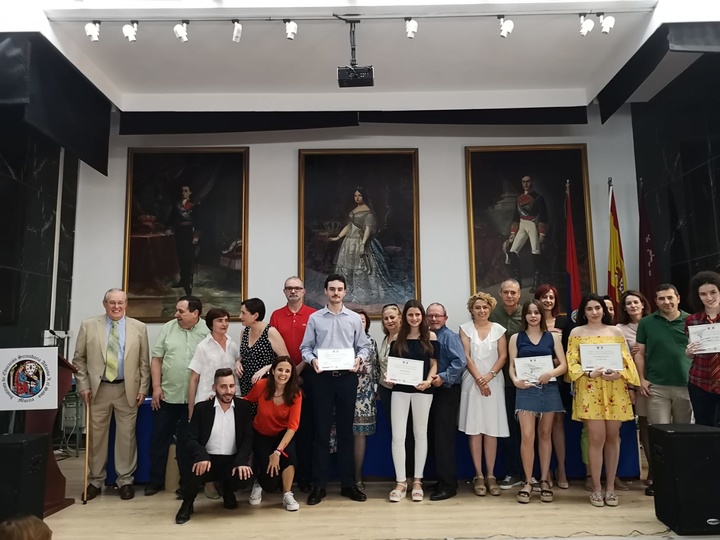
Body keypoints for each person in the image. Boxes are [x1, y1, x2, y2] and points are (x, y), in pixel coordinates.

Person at [299, 273, 371, 505]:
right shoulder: (315, 318)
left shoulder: (353, 319)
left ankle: (348, 485)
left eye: (340, 289)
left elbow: (364, 346)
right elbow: (305, 348)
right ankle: (318, 486)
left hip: (346, 380)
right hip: (321, 380)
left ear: (345, 292)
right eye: (332, 289)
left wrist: (359, 359)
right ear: (325, 292)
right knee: (320, 434)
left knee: (345, 434)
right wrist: (312, 361)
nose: (336, 293)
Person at [73, 288, 150, 501]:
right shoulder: (89, 325)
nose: (116, 307)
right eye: (112, 302)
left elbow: (144, 362)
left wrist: (143, 388)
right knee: (96, 438)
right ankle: (95, 481)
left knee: (126, 437)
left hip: (127, 389)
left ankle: (125, 480)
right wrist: (83, 385)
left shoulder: (139, 328)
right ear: (104, 304)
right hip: (98, 390)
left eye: (120, 303)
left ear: (126, 304)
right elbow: (78, 359)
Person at [566, 294, 640, 508]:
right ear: (583, 312)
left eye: (597, 308)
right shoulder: (576, 333)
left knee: (612, 438)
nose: (594, 312)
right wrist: (588, 374)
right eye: (589, 309)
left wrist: (620, 375)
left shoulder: (615, 331)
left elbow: (627, 361)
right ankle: (597, 488)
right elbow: (572, 362)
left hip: (614, 390)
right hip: (589, 390)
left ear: (604, 310)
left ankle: (611, 488)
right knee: (595, 439)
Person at [146, 295, 209, 497]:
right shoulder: (168, 328)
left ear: (195, 313)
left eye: (181, 311)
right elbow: (156, 359)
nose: (176, 314)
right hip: (167, 395)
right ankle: (155, 480)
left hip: (194, 399)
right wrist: (156, 387)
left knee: (187, 443)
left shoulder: (207, 331)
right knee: (159, 439)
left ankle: (187, 484)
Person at [175, 368, 254, 524]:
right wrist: (201, 455)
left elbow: (248, 439)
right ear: (214, 388)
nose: (228, 391)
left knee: (245, 474)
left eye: (231, 386)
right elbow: (190, 439)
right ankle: (187, 504)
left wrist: (241, 461)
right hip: (207, 460)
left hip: (231, 461)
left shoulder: (243, 408)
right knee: (194, 468)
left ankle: (228, 490)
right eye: (223, 386)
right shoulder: (202, 409)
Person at [508, 300, 567, 504]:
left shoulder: (553, 337)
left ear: (542, 315)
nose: (533, 316)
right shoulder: (516, 338)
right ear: (524, 315)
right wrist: (515, 380)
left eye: (537, 312)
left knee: (545, 435)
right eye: (529, 312)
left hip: (549, 389)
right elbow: (511, 367)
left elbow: (564, 366)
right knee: (526, 436)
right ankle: (527, 481)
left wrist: (550, 372)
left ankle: (543, 480)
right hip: (525, 390)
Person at [387, 300, 439, 502]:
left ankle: (417, 480)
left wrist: (428, 380)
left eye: (418, 314)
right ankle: (401, 481)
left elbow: (434, 364)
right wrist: (390, 377)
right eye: (410, 315)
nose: (414, 318)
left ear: (422, 316)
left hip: (422, 391)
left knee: (420, 435)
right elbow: (393, 366)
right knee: (398, 437)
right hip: (399, 391)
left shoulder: (431, 337)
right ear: (405, 317)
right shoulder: (397, 337)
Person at [268, 276, 317, 492]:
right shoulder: (276, 316)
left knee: (306, 429)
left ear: (304, 291)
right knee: (282, 428)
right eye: (289, 288)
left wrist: (298, 370)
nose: (293, 292)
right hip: (281, 380)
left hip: (308, 377)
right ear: (284, 291)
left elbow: (316, 347)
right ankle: (279, 478)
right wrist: (288, 372)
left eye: (297, 288)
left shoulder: (314, 315)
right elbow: (271, 347)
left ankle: (304, 477)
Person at [459, 292, 509, 497]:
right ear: (472, 309)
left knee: (491, 429)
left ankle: (491, 475)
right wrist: (479, 379)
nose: (481, 310)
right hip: (472, 383)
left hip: (494, 383)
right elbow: (466, 356)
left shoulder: (499, 329)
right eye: (477, 307)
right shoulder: (464, 329)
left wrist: (489, 376)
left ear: (490, 309)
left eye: (485, 307)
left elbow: (504, 355)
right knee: (475, 429)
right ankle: (478, 475)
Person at [244, 356, 303, 512]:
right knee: (269, 481)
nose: (283, 374)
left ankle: (287, 493)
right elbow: (246, 401)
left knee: (290, 457)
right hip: (261, 434)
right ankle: (259, 482)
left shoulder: (296, 394)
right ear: (272, 371)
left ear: (292, 374)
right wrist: (222, 400)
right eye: (280, 370)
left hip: (283, 435)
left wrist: (278, 451)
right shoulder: (262, 385)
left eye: (287, 371)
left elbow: (293, 426)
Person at [328, 187, 398, 304]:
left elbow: (367, 229)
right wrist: (338, 237)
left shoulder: (368, 212)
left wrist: (362, 244)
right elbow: (349, 226)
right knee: (346, 269)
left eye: (359, 195)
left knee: (361, 270)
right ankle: (349, 293)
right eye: (355, 195)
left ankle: (362, 295)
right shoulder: (354, 210)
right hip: (349, 243)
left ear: (364, 196)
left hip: (359, 242)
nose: (357, 198)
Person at [426, 302, 466, 501]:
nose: (434, 319)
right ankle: (441, 480)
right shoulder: (426, 337)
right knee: (434, 437)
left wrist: (443, 377)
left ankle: (449, 485)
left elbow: (460, 361)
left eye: (438, 316)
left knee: (444, 439)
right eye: (431, 315)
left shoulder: (449, 337)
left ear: (445, 318)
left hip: (447, 391)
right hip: (430, 391)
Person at [534, 284, 571, 489]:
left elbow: (569, 350)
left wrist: (559, 362)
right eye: (544, 297)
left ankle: (562, 469)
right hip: (535, 380)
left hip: (558, 379)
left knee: (557, 424)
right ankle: (545, 470)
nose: (548, 301)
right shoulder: (532, 320)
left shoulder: (564, 322)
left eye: (551, 297)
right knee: (541, 427)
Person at [616, 290, 652, 492]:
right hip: (635, 382)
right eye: (628, 303)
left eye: (635, 302)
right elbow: (618, 356)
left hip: (658, 377)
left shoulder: (653, 323)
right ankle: (652, 470)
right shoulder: (619, 329)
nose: (632, 306)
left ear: (642, 303)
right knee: (645, 424)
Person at [488, 279, 523, 490]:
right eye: (506, 292)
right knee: (508, 428)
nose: (510, 296)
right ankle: (513, 472)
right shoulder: (492, 316)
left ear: (519, 295)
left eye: (513, 293)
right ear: (500, 294)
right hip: (502, 381)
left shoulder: (528, 315)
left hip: (527, 380)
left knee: (529, 431)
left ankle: (531, 474)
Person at [235, 298, 289, 408]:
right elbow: (244, 354)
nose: (240, 316)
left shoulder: (270, 332)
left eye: (243, 313)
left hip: (265, 384)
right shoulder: (244, 331)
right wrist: (238, 362)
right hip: (245, 384)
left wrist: (266, 368)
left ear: (255, 315)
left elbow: (286, 359)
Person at [188, 308, 239, 419]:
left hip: (229, 399)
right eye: (220, 320)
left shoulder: (232, 344)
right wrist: (191, 409)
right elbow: (194, 379)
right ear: (211, 324)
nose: (224, 324)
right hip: (207, 399)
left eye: (226, 320)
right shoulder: (203, 346)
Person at [685, 271, 720, 427]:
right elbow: (691, 354)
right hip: (700, 381)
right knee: (704, 427)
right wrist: (689, 353)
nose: (709, 297)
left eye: (713, 292)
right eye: (703, 294)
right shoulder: (692, 320)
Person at [353, 309, 379, 491]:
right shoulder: (342, 341)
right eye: (356, 320)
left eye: (363, 320)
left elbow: (376, 367)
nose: (360, 323)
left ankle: (357, 476)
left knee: (360, 436)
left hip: (365, 396)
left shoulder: (371, 342)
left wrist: (376, 388)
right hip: (342, 393)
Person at [507, 175, 548, 291]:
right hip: (522, 224)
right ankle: (517, 280)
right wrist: (513, 232)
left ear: (532, 182)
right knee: (513, 251)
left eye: (528, 181)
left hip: (533, 224)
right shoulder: (519, 198)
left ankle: (536, 281)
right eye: (523, 181)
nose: (526, 184)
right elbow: (516, 215)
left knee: (535, 250)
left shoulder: (539, 198)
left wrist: (542, 233)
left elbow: (543, 215)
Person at [167, 184, 200, 296]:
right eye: (182, 191)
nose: (183, 193)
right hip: (179, 233)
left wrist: (196, 236)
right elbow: (171, 218)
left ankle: (188, 283)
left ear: (190, 193)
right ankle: (182, 280)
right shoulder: (176, 205)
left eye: (186, 191)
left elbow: (199, 223)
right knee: (180, 258)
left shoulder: (195, 206)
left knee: (188, 259)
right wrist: (169, 228)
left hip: (190, 233)